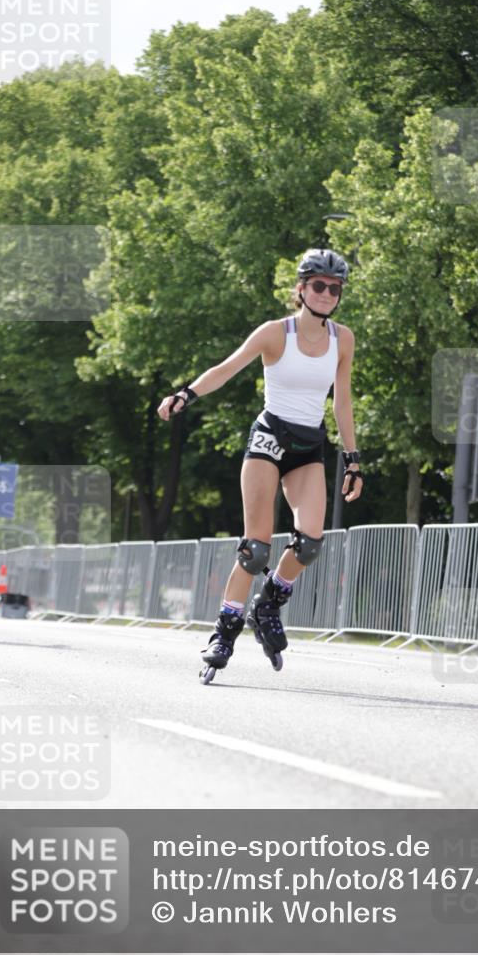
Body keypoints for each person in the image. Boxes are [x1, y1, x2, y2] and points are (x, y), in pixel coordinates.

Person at [158, 248, 363, 683]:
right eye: (319, 286)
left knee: (310, 542)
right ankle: (223, 633)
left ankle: (268, 604)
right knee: (256, 549)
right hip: (269, 438)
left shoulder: (342, 340)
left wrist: (353, 459)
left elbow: (341, 402)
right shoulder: (275, 333)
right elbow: (227, 369)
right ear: (302, 289)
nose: (327, 294)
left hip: (309, 446)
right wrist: (185, 395)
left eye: (335, 288)